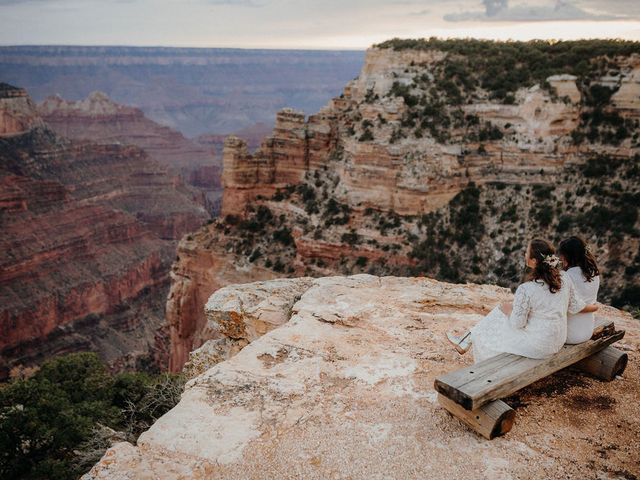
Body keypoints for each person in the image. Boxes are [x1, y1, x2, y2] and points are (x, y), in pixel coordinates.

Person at [446, 238, 598, 363]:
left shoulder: (526, 289)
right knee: (504, 310)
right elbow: (574, 306)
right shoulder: (564, 278)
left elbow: (518, 324)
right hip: (558, 340)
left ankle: (468, 339)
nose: (524, 254)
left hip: (540, 347)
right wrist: (595, 307)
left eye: (526, 252)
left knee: (500, 312)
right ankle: (467, 339)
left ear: (533, 261)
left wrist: (509, 311)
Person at [558, 236, 600, 344]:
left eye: (562, 255)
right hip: (587, 331)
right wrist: (595, 307)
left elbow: (565, 307)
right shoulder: (594, 274)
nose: (560, 258)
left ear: (567, 256)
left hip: (569, 335)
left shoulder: (566, 277)